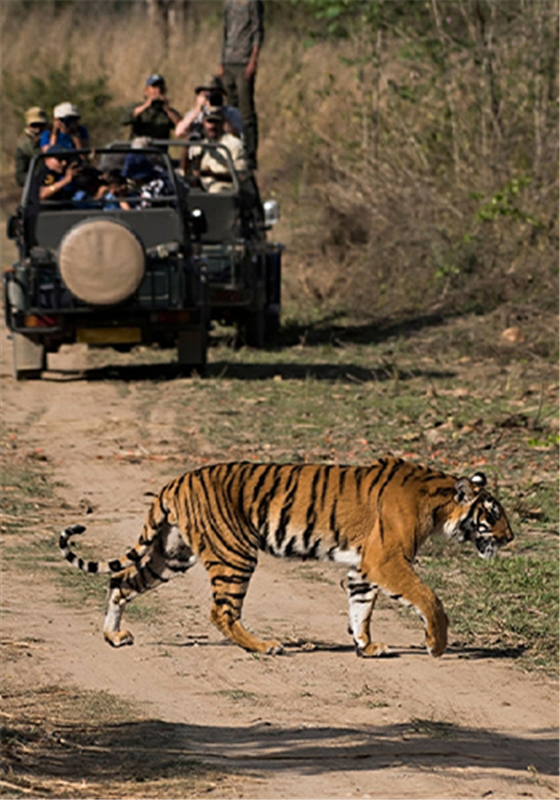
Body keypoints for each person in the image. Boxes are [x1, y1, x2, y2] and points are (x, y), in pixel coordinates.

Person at [218, 0, 264, 171]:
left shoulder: (252, 3)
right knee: (229, 110)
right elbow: (225, 31)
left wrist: (253, 60)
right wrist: (221, 62)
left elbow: (258, 31)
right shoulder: (228, 3)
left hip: (244, 61)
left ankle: (250, 154)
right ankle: (232, 149)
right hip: (229, 60)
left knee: (246, 112)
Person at [187, 105, 248, 193]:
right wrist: (187, 146)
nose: (212, 126)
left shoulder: (234, 144)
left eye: (216, 122)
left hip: (225, 189)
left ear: (223, 122)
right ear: (203, 123)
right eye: (209, 122)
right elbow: (188, 171)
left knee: (216, 190)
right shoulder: (201, 145)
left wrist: (213, 175)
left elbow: (241, 176)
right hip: (203, 188)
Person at [175, 75, 243, 142]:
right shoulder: (195, 114)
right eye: (205, 95)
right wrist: (197, 111)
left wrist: (220, 114)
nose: (210, 97)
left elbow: (238, 137)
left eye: (214, 93)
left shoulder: (231, 112)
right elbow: (179, 132)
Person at [122, 74, 181, 144]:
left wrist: (167, 109)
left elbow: (181, 126)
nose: (158, 90)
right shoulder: (138, 107)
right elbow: (124, 119)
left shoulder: (168, 112)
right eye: (154, 87)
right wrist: (146, 105)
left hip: (158, 151)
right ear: (146, 90)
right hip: (138, 149)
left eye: (160, 87)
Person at [15, 107, 48, 187]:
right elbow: (20, 176)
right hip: (36, 190)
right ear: (28, 126)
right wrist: (37, 180)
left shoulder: (54, 141)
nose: (38, 129)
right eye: (34, 125)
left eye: (41, 125)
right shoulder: (24, 148)